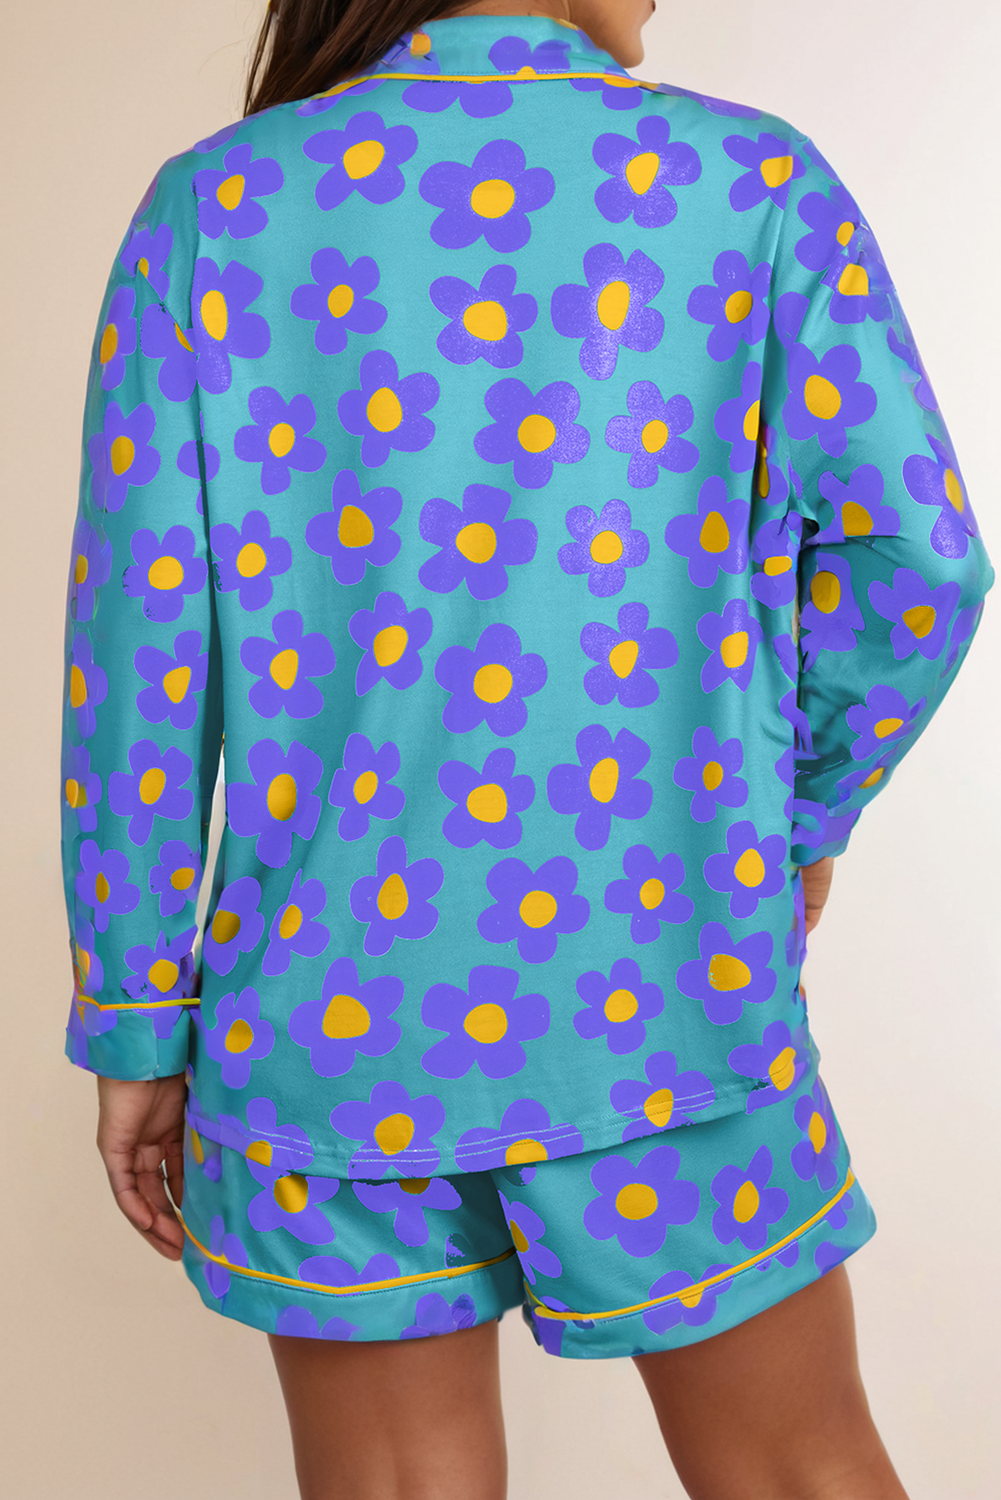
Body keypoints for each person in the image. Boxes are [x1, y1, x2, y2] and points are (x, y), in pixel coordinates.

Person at [61, 0, 992, 1495]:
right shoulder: (751, 183)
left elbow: (140, 668)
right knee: (797, 1468)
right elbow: (921, 567)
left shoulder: (211, 212)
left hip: (328, 1026)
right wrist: (790, 821)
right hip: (663, 995)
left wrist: (134, 1020)